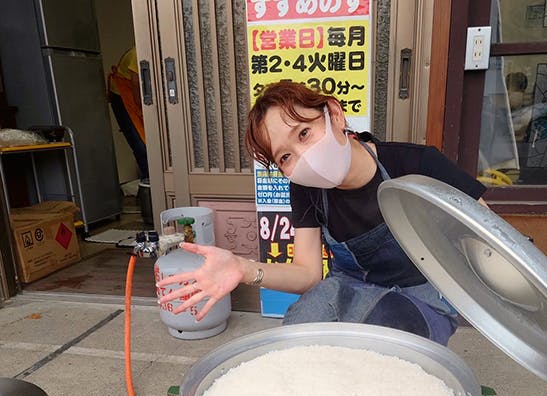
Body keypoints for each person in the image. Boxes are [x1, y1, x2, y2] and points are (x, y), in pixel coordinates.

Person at [156, 81, 487, 346]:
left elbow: (487, 239)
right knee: (296, 338)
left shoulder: (418, 163)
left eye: (304, 133)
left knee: (382, 345)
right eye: (285, 157)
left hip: (422, 296)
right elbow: (308, 274)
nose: (304, 157)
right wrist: (243, 268)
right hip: (348, 289)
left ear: (334, 114)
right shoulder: (305, 188)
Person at [107, 47, 149, 181]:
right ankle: (148, 182)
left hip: (139, 97)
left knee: (151, 141)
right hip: (122, 97)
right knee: (140, 144)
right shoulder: (138, 53)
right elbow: (136, 86)